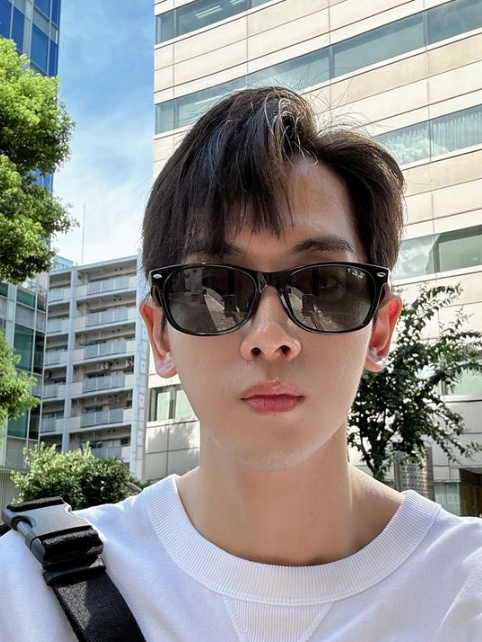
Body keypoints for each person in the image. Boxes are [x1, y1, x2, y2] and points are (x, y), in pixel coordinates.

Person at [1, 86, 481, 641]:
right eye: (215, 288)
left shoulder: (465, 587)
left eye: (323, 284)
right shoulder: (25, 593)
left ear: (379, 329)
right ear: (160, 336)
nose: (269, 338)